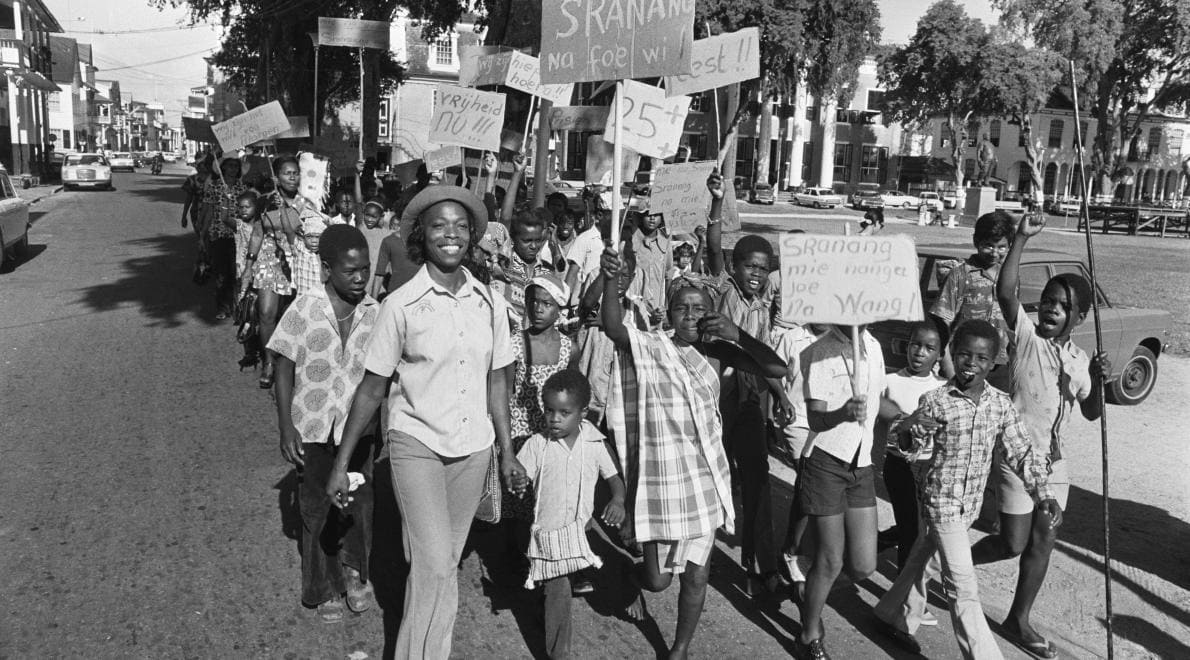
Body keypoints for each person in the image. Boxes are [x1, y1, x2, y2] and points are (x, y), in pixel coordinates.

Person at [326, 185, 527, 660]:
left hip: (473, 448)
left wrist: (506, 453)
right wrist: (341, 462)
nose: (451, 234)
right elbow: (373, 389)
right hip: (415, 443)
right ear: (423, 237)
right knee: (435, 563)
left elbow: (498, 383)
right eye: (439, 225)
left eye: (461, 225)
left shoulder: (490, 304)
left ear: (474, 235)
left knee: (441, 565)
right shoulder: (400, 304)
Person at [600, 246, 788, 659]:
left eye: (698, 308)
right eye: (681, 308)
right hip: (661, 478)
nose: (689, 314)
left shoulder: (717, 351)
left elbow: (776, 369)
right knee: (658, 580)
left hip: (704, 478)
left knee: (697, 577)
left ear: (710, 313)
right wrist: (611, 279)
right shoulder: (652, 346)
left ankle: (679, 649)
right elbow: (612, 328)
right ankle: (634, 577)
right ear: (668, 313)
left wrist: (737, 335)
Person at [874, 320, 1062, 660]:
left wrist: (1043, 494)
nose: (970, 364)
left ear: (993, 363)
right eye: (963, 355)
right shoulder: (935, 400)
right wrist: (911, 429)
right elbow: (913, 450)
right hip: (941, 504)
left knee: (923, 561)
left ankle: (890, 614)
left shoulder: (1001, 404)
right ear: (952, 355)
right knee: (963, 587)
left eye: (980, 358)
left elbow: (1021, 451)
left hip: (968, 508)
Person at [969, 213, 1110, 658]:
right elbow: (1005, 292)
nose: (1051, 308)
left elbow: (1091, 413)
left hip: (1055, 464)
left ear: (1080, 316)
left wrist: (1099, 384)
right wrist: (1022, 240)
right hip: (1015, 456)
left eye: (1063, 306)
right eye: (1048, 300)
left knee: (1044, 535)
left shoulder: (1080, 359)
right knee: (1011, 542)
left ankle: (1018, 619)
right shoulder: (1027, 338)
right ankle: (950, 564)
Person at [267, 224, 380, 623]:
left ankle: (354, 572)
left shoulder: (374, 312)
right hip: (311, 428)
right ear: (326, 268)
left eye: (365, 270)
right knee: (316, 507)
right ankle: (321, 584)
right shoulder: (304, 308)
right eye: (350, 270)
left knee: (358, 502)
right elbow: (283, 367)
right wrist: (285, 426)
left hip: (358, 430)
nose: (360, 278)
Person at [703, 174, 783, 596]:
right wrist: (718, 203)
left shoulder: (764, 304)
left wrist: (782, 395)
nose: (756, 274)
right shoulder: (722, 286)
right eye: (749, 266)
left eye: (763, 269)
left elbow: (764, 354)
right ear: (736, 267)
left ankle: (762, 564)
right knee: (710, 473)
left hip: (750, 399)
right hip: (714, 397)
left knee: (757, 477)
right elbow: (714, 245)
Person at [517, 370, 626, 660]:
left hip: (582, 529)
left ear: (583, 413)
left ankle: (630, 593)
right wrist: (515, 480)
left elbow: (613, 476)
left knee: (594, 570)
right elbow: (519, 475)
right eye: (549, 411)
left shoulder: (594, 441)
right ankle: (558, 652)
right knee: (558, 588)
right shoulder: (537, 445)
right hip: (551, 534)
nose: (554, 419)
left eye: (564, 412)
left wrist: (618, 499)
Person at [795, 322, 885, 659]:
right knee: (831, 560)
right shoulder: (819, 352)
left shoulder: (873, 346)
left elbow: (879, 402)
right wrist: (842, 412)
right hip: (827, 462)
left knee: (863, 566)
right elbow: (816, 420)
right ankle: (808, 633)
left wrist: (906, 417)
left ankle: (810, 578)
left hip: (861, 463)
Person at [500, 273, 579, 580]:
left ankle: (550, 560)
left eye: (547, 303)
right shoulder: (514, 345)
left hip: (553, 431)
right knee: (518, 500)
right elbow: (504, 392)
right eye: (533, 302)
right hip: (520, 431)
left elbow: (573, 391)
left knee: (550, 499)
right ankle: (514, 560)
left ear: (559, 308)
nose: (538, 309)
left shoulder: (568, 348)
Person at [877, 320, 947, 571]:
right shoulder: (888, 381)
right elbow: (882, 425)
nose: (920, 352)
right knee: (912, 529)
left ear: (939, 353)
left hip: (931, 468)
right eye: (915, 345)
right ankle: (902, 593)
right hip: (899, 465)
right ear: (906, 346)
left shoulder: (943, 388)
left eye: (929, 348)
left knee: (924, 527)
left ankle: (885, 540)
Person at [930, 210, 1015, 389]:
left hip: (1000, 365)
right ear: (976, 242)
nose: (994, 252)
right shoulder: (960, 275)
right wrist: (949, 369)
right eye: (988, 245)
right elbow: (942, 324)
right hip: (965, 365)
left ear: (1009, 246)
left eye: (1001, 247)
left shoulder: (1009, 278)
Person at [499, 208, 558, 328]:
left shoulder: (548, 272)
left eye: (538, 240)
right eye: (527, 241)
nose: (534, 246)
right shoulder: (502, 267)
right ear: (513, 238)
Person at [205, 158, 248, 320]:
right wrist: (203, 233)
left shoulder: (242, 188)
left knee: (236, 272)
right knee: (221, 273)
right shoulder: (214, 186)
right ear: (222, 168)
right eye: (229, 166)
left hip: (238, 236)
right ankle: (222, 307)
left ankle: (237, 306)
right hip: (218, 234)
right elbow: (208, 210)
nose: (232, 169)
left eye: (235, 166)